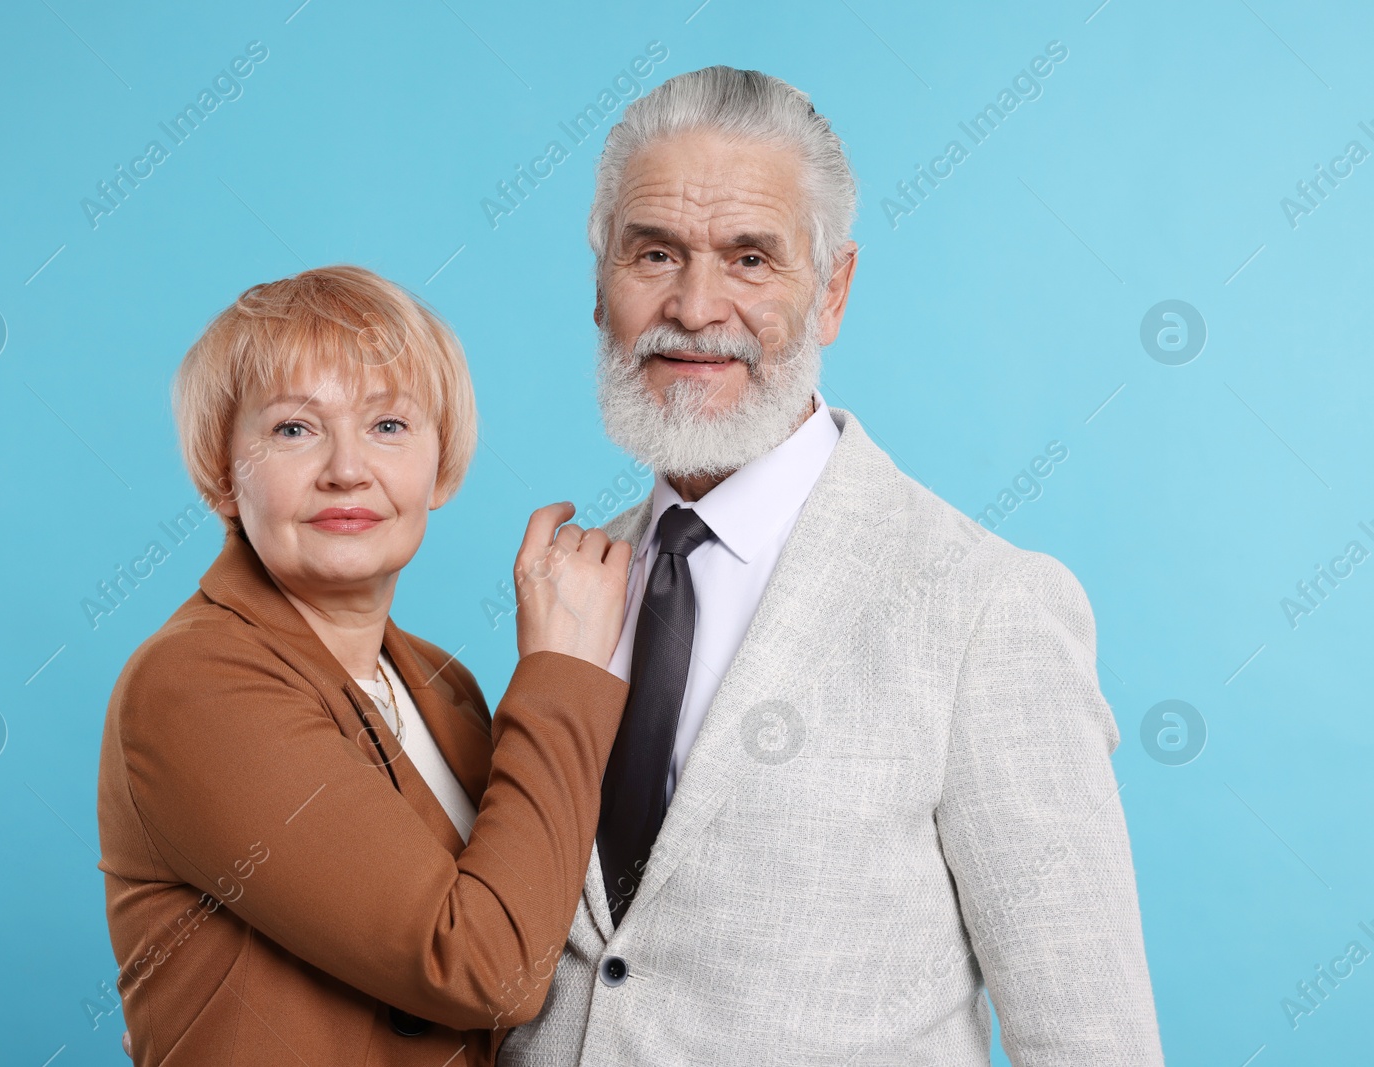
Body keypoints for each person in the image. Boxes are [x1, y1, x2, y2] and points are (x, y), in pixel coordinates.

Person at [498, 67, 1165, 1065]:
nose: (695, 303)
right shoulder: (567, 586)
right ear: (600, 286)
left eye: (750, 257)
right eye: (654, 253)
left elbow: (1089, 1039)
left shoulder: (985, 607)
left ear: (833, 290)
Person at [96, 265, 633, 1066]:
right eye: (294, 429)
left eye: (388, 425)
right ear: (222, 472)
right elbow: (488, 968)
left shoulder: (441, 685)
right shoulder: (193, 684)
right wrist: (558, 673)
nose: (347, 469)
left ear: (439, 465)